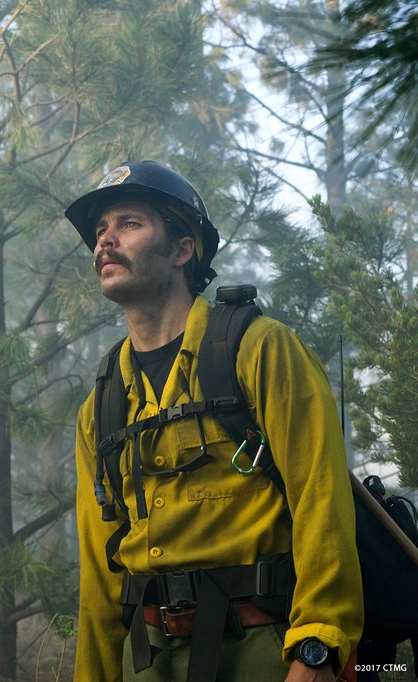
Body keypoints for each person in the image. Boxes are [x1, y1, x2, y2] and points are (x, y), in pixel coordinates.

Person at [64, 161, 363, 682]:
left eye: (129, 223)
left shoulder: (259, 348)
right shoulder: (103, 403)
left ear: (183, 249)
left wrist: (318, 648)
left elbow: (322, 500)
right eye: (99, 231)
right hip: (148, 657)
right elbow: (99, 572)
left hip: (263, 652)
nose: (106, 240)